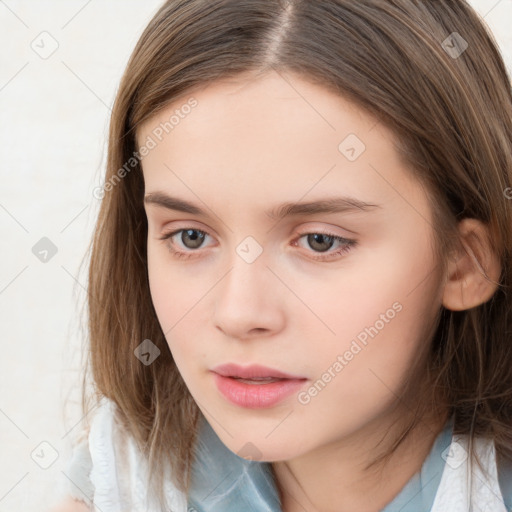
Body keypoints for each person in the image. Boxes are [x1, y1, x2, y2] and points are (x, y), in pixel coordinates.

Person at [49, 0, 512, 510]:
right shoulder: (126, 479)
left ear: (464, 262)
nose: (239, 313)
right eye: (191, 237)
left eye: (320, 241)